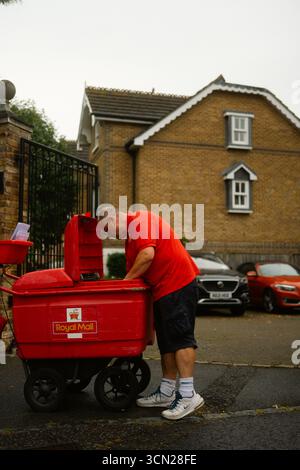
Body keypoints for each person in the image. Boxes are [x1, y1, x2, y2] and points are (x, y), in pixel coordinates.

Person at [99, 209, 205, 420]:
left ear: (113, 218)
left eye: (109, 229)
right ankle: (167, 392)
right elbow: (140, 268)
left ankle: (188, 395)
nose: (111, 236)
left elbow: (148, 255)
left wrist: (124, 284)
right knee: (167, 343)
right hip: (163, 289)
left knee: (181, 339)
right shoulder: (130, 238)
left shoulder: (140, 220)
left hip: (178, 283)